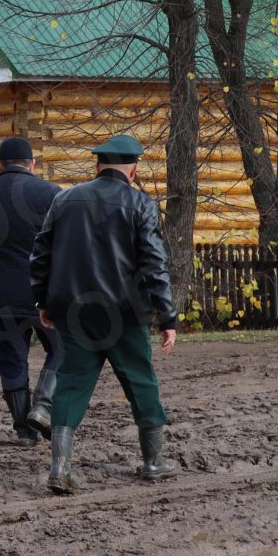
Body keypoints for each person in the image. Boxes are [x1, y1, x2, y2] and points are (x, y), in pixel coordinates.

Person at [26, 133, 179, 493]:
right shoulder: (141, 204)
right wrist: (167, 317)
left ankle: (60, 468)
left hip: (73, 312)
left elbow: (40, 256)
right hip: (124, 314)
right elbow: (155, 265)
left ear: (97, 166)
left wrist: (44, 302)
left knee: (72, 383)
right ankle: (153, 461)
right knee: (140, 380)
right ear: (134, 170)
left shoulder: (64, 199)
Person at [0, 135, 61, 444]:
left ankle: (24, 430)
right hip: (46, 292)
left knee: (11, 359)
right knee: (63, 349)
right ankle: (44, 409)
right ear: (32, 164)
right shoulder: (51, 194)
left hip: (4, 292)